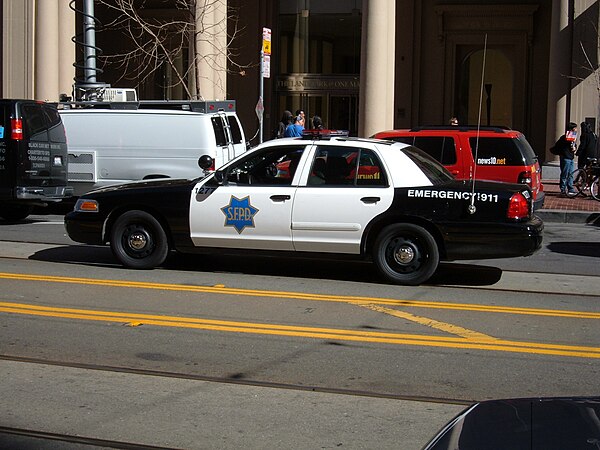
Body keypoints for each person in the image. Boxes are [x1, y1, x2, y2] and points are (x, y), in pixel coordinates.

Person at [553, 122, 578, 195]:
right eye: (575, 128)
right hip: (565, 157)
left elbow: (574, 146)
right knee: (565, 173)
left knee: (571, 173)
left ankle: (570, 188)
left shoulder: (573, 138)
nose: (576, 130)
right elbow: (558, 146)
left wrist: (574, 147)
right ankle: (563, 188)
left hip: (571, 157)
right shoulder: (563, 138)